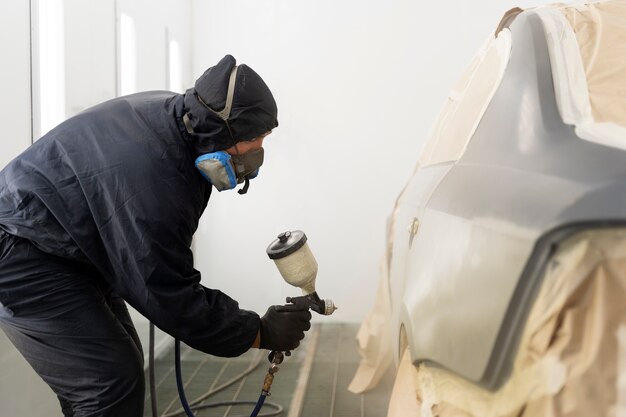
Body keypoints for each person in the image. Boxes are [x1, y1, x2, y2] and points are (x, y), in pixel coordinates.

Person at [0, 54, 311, 417]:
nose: (258, 152)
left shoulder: (181, 122)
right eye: (255, 140)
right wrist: (257, 332)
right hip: (23, 251)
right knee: (108, 383)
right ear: (221, 131)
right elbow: (167, 291)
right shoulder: (155, 177)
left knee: (117, 368)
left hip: (68, 247)